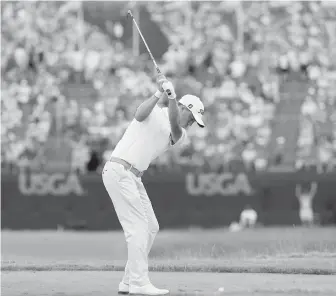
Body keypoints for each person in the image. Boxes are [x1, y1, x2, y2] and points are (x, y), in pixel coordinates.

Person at [102, 74, 205, 295]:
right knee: (138, 228)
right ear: (184, 108)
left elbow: (175, 128)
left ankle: (129, 281)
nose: (191, 124)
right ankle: (139, 283)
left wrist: (171, 97)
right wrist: (160, 93)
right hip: (119, 170)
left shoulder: (180, 133)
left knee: (151, 227)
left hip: (133, 177)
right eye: (192, 118)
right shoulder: (154, 111)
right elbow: (139, 115)